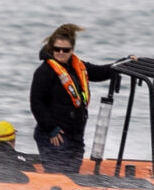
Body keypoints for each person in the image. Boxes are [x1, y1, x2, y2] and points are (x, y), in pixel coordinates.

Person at [28, 24, 118, 174]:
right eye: (57, 49)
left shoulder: (77, 67)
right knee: (59, 176)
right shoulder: (44, 72)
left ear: (72, 50)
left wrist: (121, 64)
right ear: (51, 48)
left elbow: (99, 72)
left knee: (72, 175)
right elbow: (36, 104)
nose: (61, 53)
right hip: (54, 136)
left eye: (65, 50)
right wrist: (51, 129)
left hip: (75, 136)